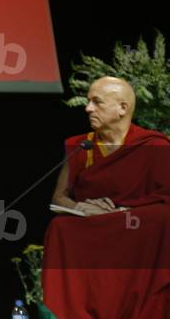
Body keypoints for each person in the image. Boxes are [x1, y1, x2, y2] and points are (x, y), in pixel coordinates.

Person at [43, 76, 170, 318]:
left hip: (137, 227)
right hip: (92, 224)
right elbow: (59, 198)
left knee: (165, 217)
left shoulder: (154, 145)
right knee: (61, 227)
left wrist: (120, 213)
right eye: (88, 101)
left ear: (122, 108)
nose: (88, 108)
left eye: (97, 102)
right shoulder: (82, 145)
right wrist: (82, 208)